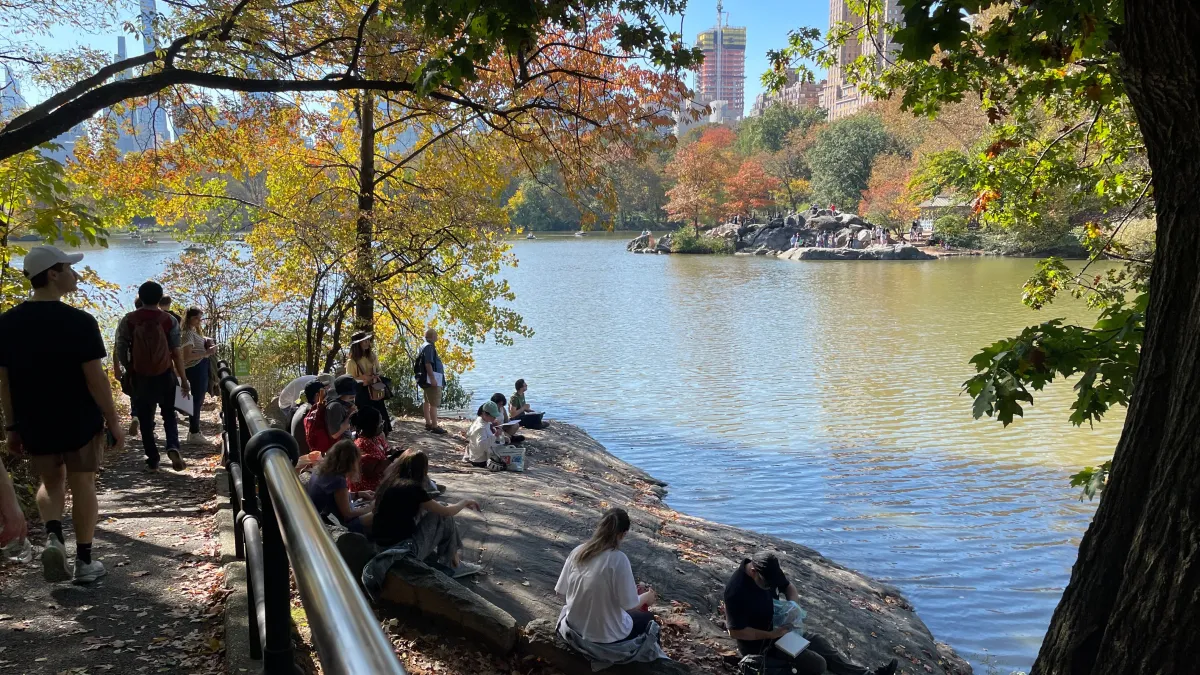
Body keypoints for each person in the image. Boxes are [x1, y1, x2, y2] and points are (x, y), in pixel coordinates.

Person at [0, 245, 123, 583]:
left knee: (50, 481)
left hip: (34, 419)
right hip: (78, 418)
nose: (76, 274)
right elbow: (95, 379)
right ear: (52, 274)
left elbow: (6, 382)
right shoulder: (80, 322)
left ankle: (54, 536)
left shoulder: (7, 323)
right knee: (83, 482)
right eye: (69, 268)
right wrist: (113, 421)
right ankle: (84, 562)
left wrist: (12, 426)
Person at [724, 552, 898, 675]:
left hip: (780, 631)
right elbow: (736, 632)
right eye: (767, 585)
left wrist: (793, 606)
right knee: (818, 664)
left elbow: (788, 587)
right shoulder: (736, 591)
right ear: (754, 572)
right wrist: (770, 634)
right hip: (762, 644)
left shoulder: (768, 568)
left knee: (821, 644)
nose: (770, 588)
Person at [555, 508, 660, 650]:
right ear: (623, 534)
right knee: (648, 619)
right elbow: (629, 606)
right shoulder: (618, 559)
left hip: (573, 627)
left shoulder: (578, 551)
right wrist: (646, 597)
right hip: (605, 637)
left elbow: (560, 592)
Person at [116, 281, 190, 472]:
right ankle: (173, 446)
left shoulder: (129, 320)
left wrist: (130, 368)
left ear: (140, 297)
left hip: (141, 377)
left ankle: (153, 459)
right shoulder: (169, 320)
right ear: (160, 297)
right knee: (169, 415)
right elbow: (176, 352)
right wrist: (183, 378)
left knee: (146, 420)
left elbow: (121, 348)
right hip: (165, 374)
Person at [372, 450, 480, 575]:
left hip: (381, 546)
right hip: (402, 551)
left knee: (436, 513)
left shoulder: (390, 482)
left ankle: (453, 561)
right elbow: (446, 512)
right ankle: (453, 564)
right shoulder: (413, 488)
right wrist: (465, 502)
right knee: (444, 516)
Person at [306, 439, 374, 534]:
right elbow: (347, 514)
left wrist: (358, 494)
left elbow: (335, 497)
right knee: (377, 515)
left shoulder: (320, 470)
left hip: (321, 515)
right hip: (334, 523)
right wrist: (370, 509)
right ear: (350, 462)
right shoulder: (338, 480)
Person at [180, 307, 217, 444]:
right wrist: (206, 354)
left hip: (199, 367)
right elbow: (187, 356)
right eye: (197, 318)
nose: (199, 321)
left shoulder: (193, 332)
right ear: (189, 318)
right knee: (196, 400)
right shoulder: (188, 333)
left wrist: (207, 341)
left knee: (198, 399)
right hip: (196, 368)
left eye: (200, 318)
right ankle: (194, 432)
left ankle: (194, 431)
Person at [346, 331, 391, 435]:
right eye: (364, 341)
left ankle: (381, 438)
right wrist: (362, 378)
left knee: (380, 415)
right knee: (365, 419)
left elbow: (379, 370)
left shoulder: (372, 356)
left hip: (375, 390)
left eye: (367, 340)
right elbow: (350, 379)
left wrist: (375, 375)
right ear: (358, 344)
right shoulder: (351, 362)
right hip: (362, 393)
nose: (367, 343)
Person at [113, 296, 144, 439]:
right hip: (155, 366)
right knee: (149, 396)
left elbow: (118, 345)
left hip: (132, 363)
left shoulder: (126, 320)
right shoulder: (159, 318)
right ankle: (148, 426)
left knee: (134, 391)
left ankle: (135, 416)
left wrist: (119, 366)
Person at [350, 406, 390, 493]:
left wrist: (391, 452)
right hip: (368, 491)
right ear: (371, 426)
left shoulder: (376, 438)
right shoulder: (363, 444)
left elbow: (382, 453)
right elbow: (370, 473)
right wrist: (391, 459)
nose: (382, 424)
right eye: (380, 422)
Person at [417, 328, 446, 434]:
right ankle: (434, 425)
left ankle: (428, 423)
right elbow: (428, 363)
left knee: (427, 401)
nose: (437, 337)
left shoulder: (423, 345)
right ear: (433, 336)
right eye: (436, 335)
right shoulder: (429, 347)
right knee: (434, 403)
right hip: (432, 379)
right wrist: (433, 378)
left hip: (426, 379)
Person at [464, 400, 505, 468]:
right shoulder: (481, 428)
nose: (495, 418)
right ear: (484, 414)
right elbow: (481, 446)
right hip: (480, 460)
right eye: (493, 416)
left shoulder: (480, 420)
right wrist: (495, 435)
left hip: (476, 456)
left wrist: (492, 425)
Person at [291, 379, 326, 457]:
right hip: (306, 459)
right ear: (317, 396)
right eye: (324, 393)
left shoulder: (303, 407)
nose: (326, 396)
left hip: (299, 454)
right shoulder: (312, 413)